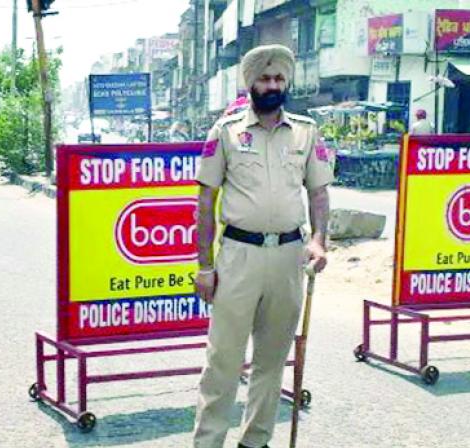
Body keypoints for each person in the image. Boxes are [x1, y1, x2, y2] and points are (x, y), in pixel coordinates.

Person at [193, 44, 332, 448]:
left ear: (286, 83)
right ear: (250, 83)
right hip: (239, 256)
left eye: (278, 79)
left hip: (289, 258)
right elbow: (205, 201)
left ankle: (255, 441)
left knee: (272, 362)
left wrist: (319, 241)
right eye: (264, 79)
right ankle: (208, 442)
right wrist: (205, 266)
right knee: (223, 362)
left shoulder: (307, 131)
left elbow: (319, 194)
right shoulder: (227, 132)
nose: (272, 86)